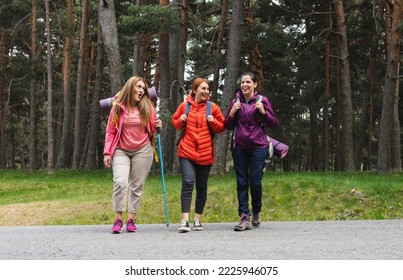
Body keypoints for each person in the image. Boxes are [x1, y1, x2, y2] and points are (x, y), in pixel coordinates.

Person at [103, 76, 162, 234]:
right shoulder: (118, 106)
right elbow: (111, 130)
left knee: (137, 186)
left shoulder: (147, 106)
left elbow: (154, 126)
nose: (142, 91)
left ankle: (131, 220)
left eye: (143, 88)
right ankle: (118, 219)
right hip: (121, 149)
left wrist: (158, 126)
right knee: (121, 182)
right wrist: (107, 152)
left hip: (142, 149)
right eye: (139, 87)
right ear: (130, 88)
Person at [224, 72, 279, 231]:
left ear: (255, 85)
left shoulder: (263, 101)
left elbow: (274, 123)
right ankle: (243, 216)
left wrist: (263, 111)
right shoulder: (235, 101)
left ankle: (256, 210)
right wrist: (233, 112)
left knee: (255, 183)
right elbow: (227, 125)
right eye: (242, 82)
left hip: (258, 147)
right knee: (241, 182)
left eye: (248, 82)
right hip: (239, 147)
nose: (244, 85)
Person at [172, 78, 225, 233]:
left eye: (208, 89)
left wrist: (213, 121)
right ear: (194, 90)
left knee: (201, 186)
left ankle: (197, 220)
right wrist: (181, 120)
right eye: (203, 88)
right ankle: (184, 221)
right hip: (186, 152)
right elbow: (175, 122)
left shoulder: (212, 107)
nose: (206, 91)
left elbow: (222, 127)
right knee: (188, 183)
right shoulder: (184, 106)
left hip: (205, 153)